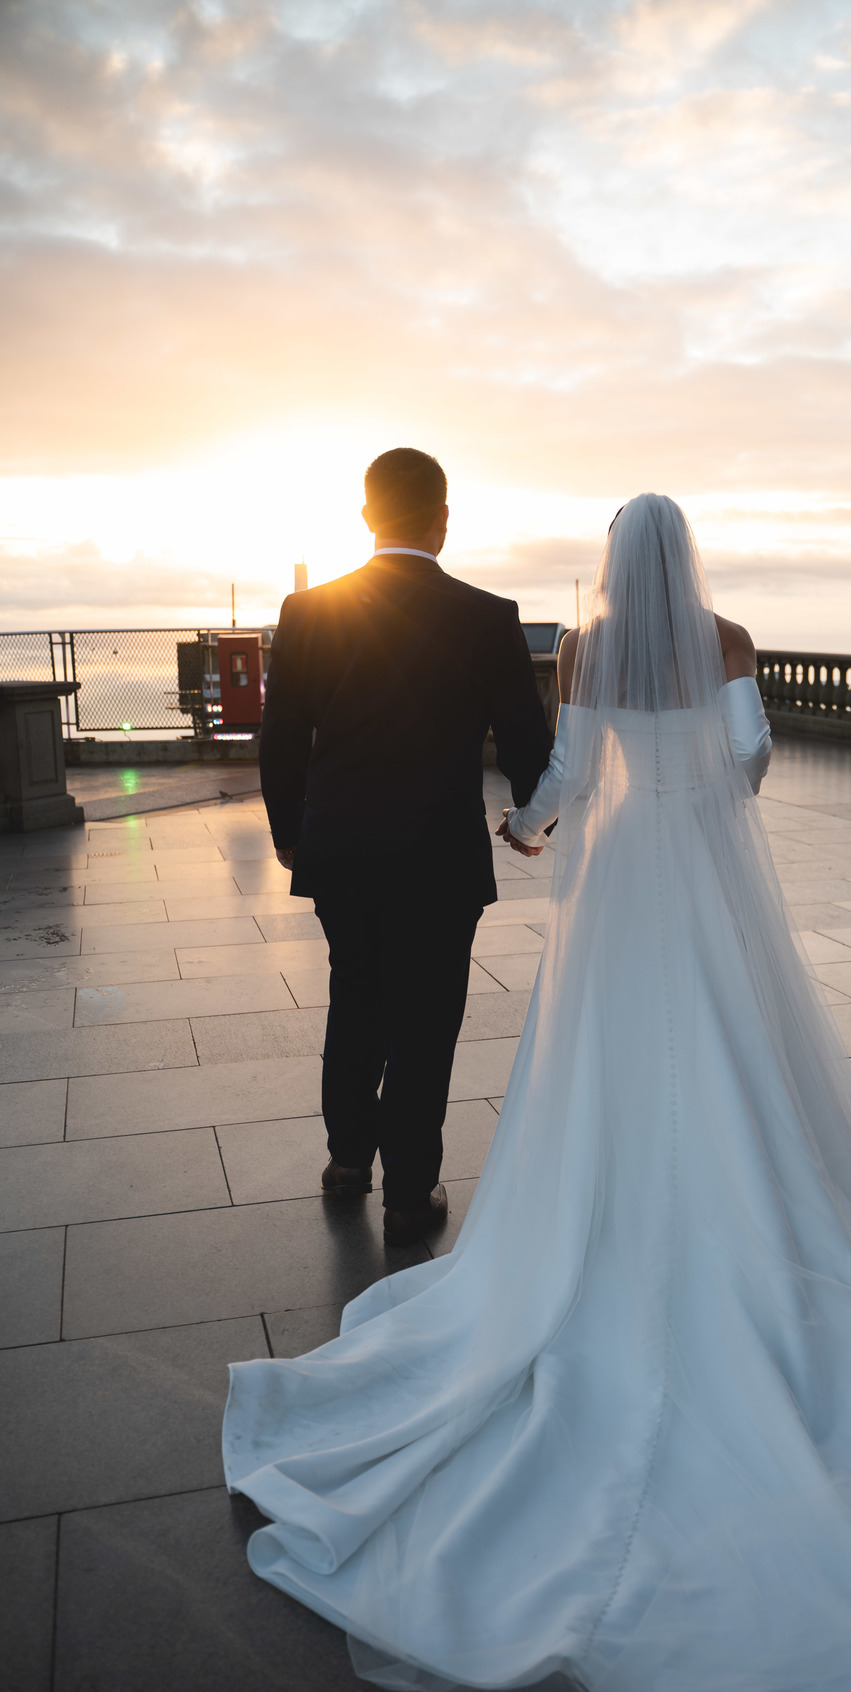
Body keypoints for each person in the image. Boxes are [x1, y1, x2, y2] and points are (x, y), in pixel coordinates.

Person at [226, 494, 851, 1692]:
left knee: (604, 1063)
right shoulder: (730, 641)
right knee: (728, 1060)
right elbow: (751, 762)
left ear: (617, 561)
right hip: (696, 879)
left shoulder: (585, 648)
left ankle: (591, 1222)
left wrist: (529, 825)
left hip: (615, 885)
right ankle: (734, 1229)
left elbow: (564, 766)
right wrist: (693, 794)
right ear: (688, 559)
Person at [257, 447, 551, 1246]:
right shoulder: (488, 617)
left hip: (341, 846)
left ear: (366, 516)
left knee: (354, 992)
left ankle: (348, 1160)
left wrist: (292, 835)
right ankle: (409, 1195)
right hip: (438, 857)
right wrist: (534, 819)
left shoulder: (309, 610)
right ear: (443, 519)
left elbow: (280, 739)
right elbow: (527, 740)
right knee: (427, 1019)